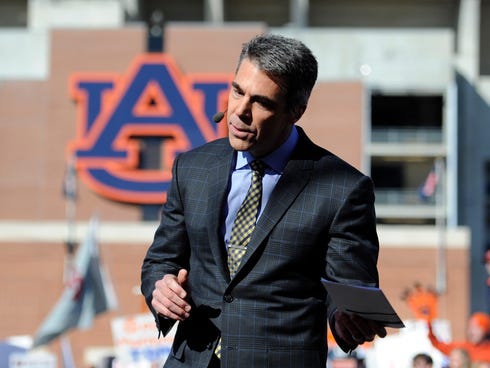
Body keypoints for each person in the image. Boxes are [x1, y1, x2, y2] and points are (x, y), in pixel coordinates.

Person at [141, 33, 387, 368]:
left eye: (262, 102)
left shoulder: (343, 189)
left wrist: (346, 317)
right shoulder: (191, 168)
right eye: (237, 91)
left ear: (296, 111)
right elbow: (161, 260)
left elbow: (349, 289)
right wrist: (161, 288)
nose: (240, 111)